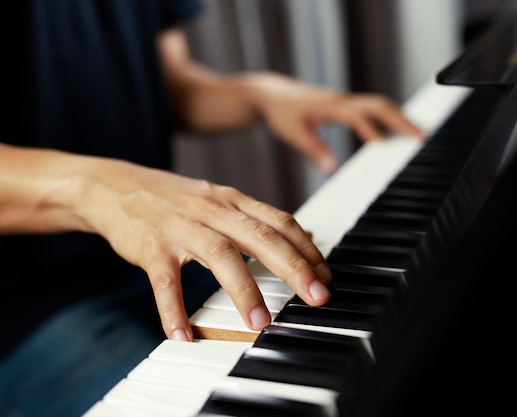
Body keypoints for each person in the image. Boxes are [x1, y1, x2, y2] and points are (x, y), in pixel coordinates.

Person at [0, 1, 422, 416]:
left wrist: (256, 94)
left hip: (167, 253)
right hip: (28, 308)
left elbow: (169, 83)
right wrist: (100, 191)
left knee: (363, 334)